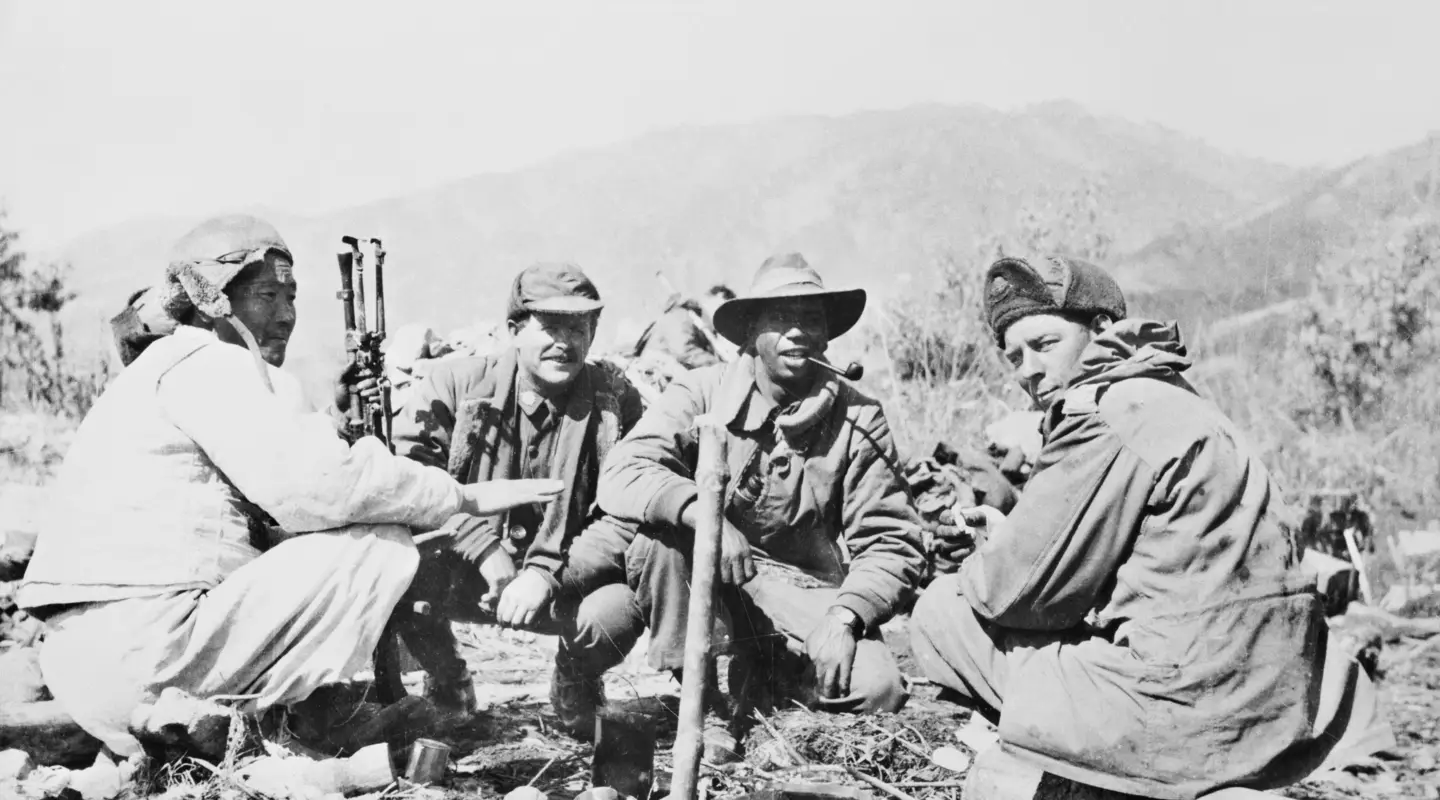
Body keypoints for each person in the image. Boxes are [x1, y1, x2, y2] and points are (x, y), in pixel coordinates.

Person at [16, 215, 560, 758]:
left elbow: (270, 498)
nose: (285, 314)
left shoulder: (162, 367)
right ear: (214, 302)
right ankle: (293, 716)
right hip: (152, 655)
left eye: (291, 295)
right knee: (379, 539)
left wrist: (339, 425)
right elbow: (319, 490)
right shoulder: (211, 365)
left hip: (87, 662)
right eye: (265, 294)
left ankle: (275, 716)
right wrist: (460, 497)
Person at [909, 254, 1393, 798]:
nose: (1027, 370)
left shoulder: (1104, 411)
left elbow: (1013, 594)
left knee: (941, 609)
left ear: (1101, 330)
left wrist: (992, 554)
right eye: (1014, 356)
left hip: (1192, 707)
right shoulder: (1176, 397)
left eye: (1044, 345)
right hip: (1279, 698)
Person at [595, 253, 925, 759]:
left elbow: (892, 540)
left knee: (878, 689)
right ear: (750, 332)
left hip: (796, 588)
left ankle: (766, 681)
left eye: (811, 318)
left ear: (827, 337)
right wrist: (702, 515)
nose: (797, 331)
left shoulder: (858, 417)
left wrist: (845, 617)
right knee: (659, 538)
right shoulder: (701, 392)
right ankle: (703, 702)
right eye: (780, 317)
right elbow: (624, 471)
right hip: (700, 571)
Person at [390, 262, 647, 739]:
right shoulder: (456, 387)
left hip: (568, 581)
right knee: (389, 560)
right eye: (549, 327)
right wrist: (481, 545)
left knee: (622, 603)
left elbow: (626, 512)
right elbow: (409, 481)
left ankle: (577, 676)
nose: (565, 342)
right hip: (465, 574)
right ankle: (447, 680)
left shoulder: (615, 404)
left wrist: (546, 574)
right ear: (514, 330)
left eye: (579, 327)